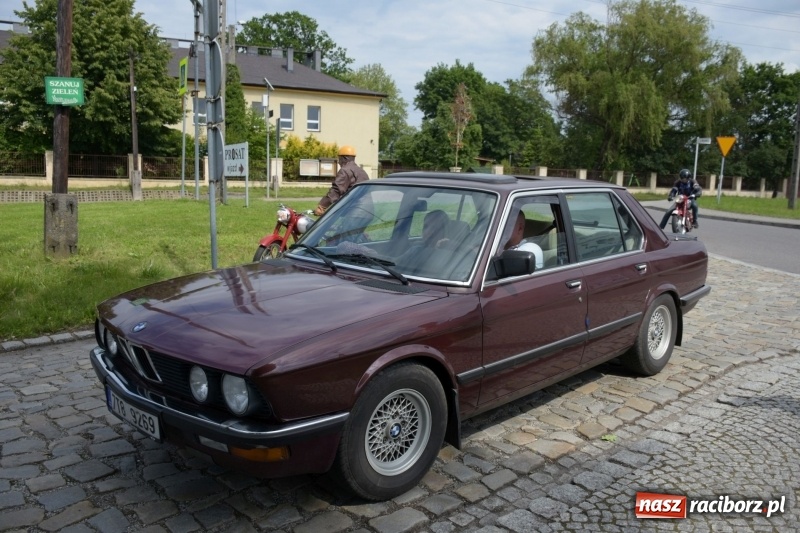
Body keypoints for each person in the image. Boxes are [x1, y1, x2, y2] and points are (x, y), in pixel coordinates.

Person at [313, 145, 369, 216]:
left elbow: (336, 190)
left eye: (339, 159)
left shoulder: (345, 170)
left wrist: (321, 206)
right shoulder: (361, 171)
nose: (339, 162)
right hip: (368, 211)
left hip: (355, 211)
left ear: (344, 158)